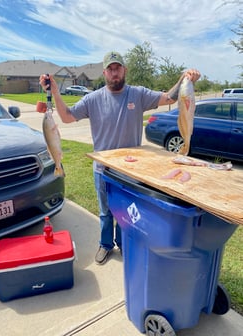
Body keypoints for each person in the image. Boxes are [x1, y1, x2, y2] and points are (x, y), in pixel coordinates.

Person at [39, 51, 200, 265]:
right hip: (103, 171)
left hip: (131, 172)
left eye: (118, 68)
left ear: (124, 70)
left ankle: (124, 244)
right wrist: (56, 92)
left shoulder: (138, 94)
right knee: (106, 213)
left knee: (127, 213)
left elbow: (169, 97)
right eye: (110, 69)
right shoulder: (93, 99)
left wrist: (184, 79)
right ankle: (106, 245)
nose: (114, 73)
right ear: (105, 72)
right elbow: (67, 117)